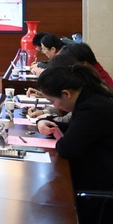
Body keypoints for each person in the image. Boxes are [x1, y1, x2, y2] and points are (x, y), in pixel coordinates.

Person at [34, 61, 113, 199]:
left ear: (66, 94)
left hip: (100, 180)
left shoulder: (92, 108)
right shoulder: (89, 97)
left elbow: (67, 148)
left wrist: (60, 135)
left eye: (52, 101)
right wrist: (44, 122)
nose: (54, 105)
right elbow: (75, 129)